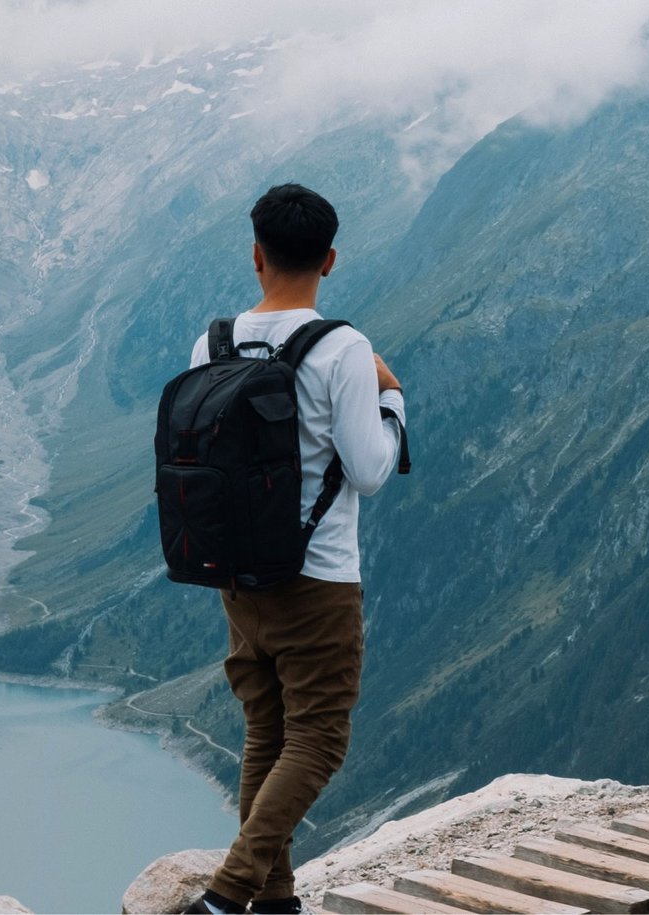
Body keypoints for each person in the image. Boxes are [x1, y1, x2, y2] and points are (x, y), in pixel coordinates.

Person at [184, 184, 406, 915]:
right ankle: (227, 897)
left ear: (256, 256)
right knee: (317, 739)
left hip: (238, 577)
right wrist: (392, 400)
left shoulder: (211, 344)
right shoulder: (344, 349)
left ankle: (276, 905)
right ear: (330, 261)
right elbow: (370, 470)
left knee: (266, 733)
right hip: (319, 582)